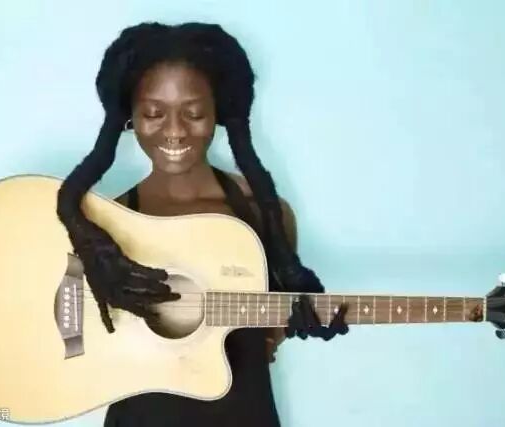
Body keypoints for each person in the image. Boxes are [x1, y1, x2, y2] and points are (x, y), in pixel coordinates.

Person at [56, 22, 349, 427]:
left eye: (193, 113)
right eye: (153, 113)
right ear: (129, 118)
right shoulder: (105, 225)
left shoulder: (266, 216)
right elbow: (67, 323)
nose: (175, 131)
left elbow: (265, 344)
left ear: (218, 113)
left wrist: (298, 321)